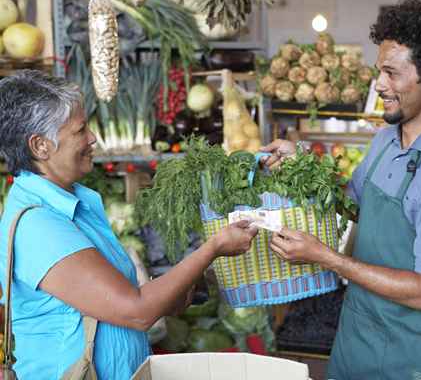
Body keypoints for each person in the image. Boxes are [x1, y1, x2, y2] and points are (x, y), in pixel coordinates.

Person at [261, 0, 421, 379]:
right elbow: (351, 206)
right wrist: (303, 162)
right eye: (378, 71)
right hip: (357, 341)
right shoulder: (386, 140)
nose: (378, 84)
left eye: (391, 73)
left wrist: (327, 258)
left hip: (414, 357)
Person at [0, 70, 258, 380]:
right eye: (81, 130)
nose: (93, 137)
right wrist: (213, 247)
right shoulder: (39, 227)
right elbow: (137, 311)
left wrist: (186, 285)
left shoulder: (74, 204)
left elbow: (125, 298)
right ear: (40, 146)